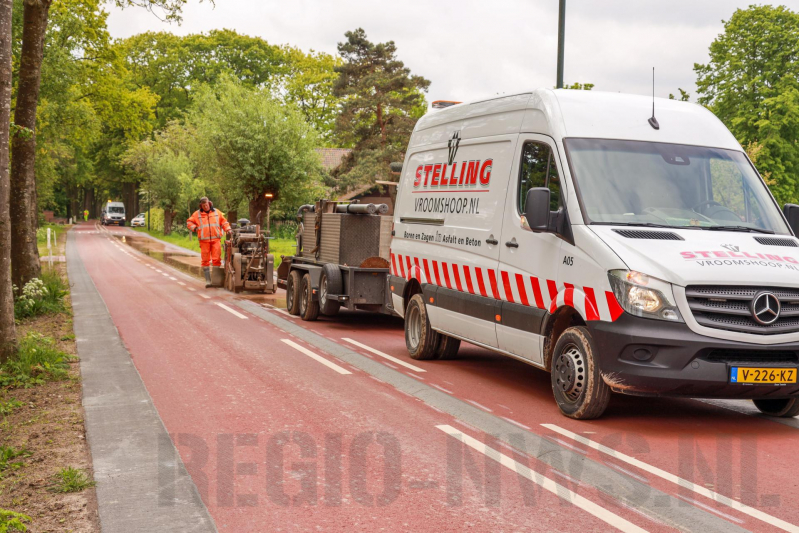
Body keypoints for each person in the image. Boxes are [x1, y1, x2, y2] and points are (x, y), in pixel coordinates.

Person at [187, 197, 231, 287]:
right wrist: (195, 228)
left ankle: (216, 281)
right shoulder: (197, 214)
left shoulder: (217, 212)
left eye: (206, 205)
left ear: (209, 203)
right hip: (204, 241)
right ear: (201, 206)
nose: (206, 207)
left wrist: (228, 229)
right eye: (204, 205)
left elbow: (224, 222)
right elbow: (189, 222)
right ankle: (208, 281)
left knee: (216, 259)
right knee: (205, 260)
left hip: (216, 240)